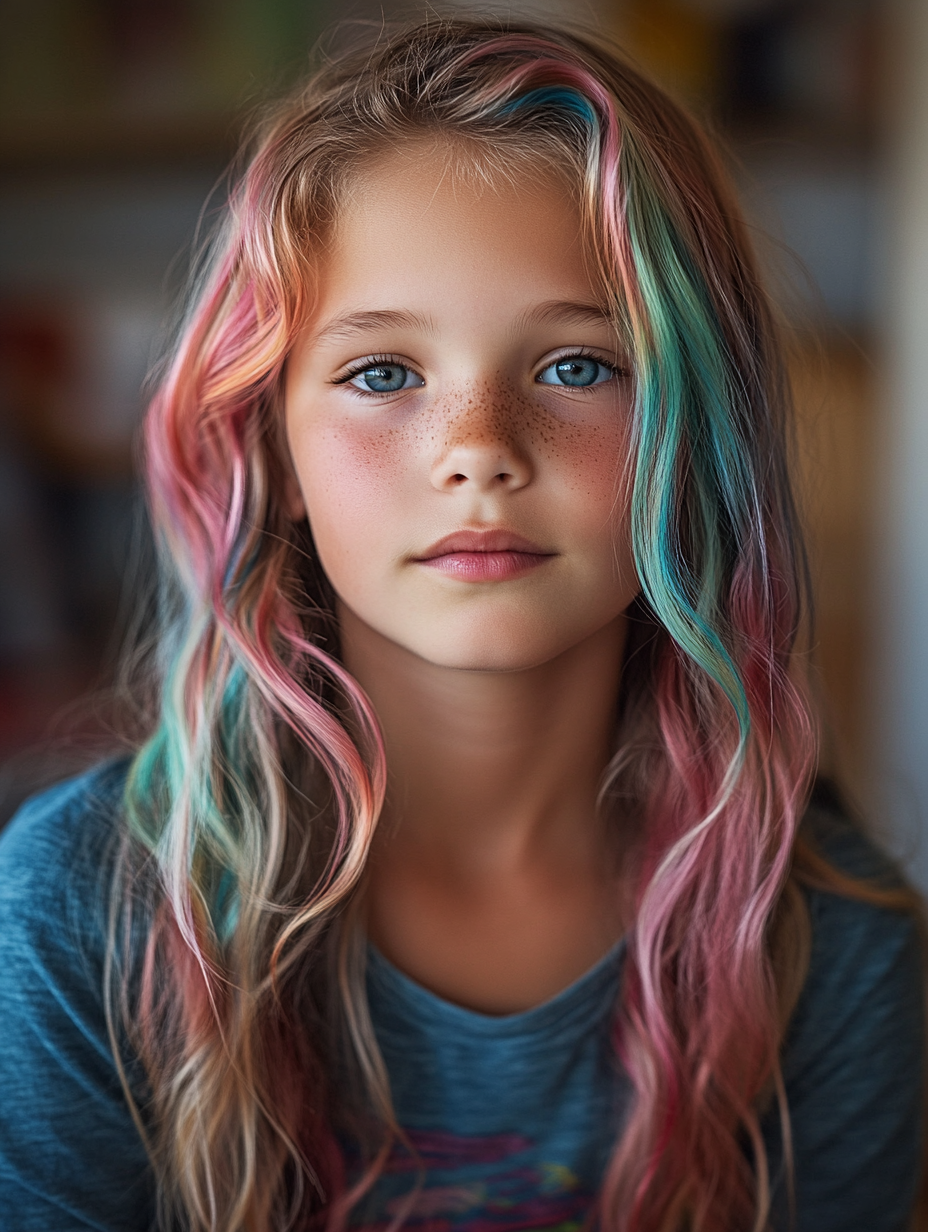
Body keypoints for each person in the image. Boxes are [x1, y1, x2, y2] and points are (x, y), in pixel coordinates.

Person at [0, 17, 923, 1232]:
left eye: (578, 366)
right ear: (267, 440)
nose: (476, 447)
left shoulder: (827, 942)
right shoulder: (82, 910)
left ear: (696, 434)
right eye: (383, 373)